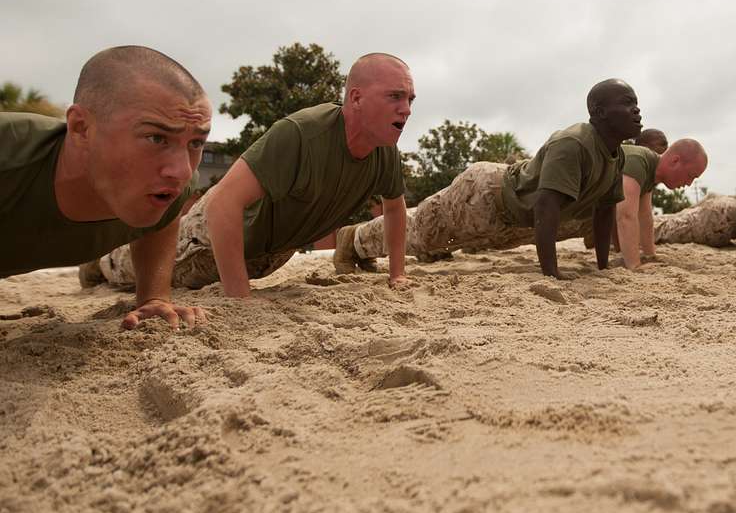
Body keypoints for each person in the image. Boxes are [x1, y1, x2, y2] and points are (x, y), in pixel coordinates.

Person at [94, 53, 414, 297]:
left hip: (266, 254)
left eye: (410, 99)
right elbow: (222, 205)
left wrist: (397, 274)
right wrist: (240, 297)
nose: (407, 109)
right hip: (209, 240)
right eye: (395, 96)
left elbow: (395, 208)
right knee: (131, 269)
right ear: (356, 98)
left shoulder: (383, 151)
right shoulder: (302, 134)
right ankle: (97, 264)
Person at [336, 78, 643, 279]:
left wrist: (603, 267)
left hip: (511, 215)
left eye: (636, 103)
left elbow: (604, 213)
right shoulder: (573, 143)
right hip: (484, 195)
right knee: (420, 233)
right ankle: (353, 240)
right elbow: (546, 208)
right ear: (600, 112)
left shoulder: (618, 156)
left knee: (429, 237)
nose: (636, 110)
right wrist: (551, 274)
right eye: (627, 103)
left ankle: (370, 242)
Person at [1, 46, 210, 329]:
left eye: (196, 143)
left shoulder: (170, 186)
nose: (182, 171)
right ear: (81, 128)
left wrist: (154, 297)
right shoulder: (9, 156)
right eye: (156, 138)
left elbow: (162, 224)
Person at [614, 138, 707, 268]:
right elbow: (626, 217)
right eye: (690, 175)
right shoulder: (638, 162)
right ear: (675, 161)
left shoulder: (649, 171)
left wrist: (650, 256)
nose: (689, 183)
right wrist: (635, 265)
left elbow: (644, 217)